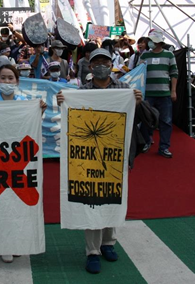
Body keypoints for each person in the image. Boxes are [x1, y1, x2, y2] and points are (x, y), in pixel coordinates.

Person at [56, 48, 144, 274]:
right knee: (92, 201)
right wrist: (62, 102)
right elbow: (73, 118)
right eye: (97, 63)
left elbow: (135, 119)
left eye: (105, 61)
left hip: (115, 154)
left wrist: (137, 102)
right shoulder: (83, 91)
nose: (101, 66)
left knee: (112, 197)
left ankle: (108, 243)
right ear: (90, 66)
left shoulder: (123, 89)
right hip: (90, 156)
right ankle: (93, 251)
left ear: (111, 65)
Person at [0, 64, 46, 264]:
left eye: (10, 78)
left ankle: (17, 241)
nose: (7, 82)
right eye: (3, 78)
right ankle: (4, 244)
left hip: (20, 160)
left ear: (17, 81)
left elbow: (31, 126)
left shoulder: (25, 103)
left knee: (19, 203)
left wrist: (39, 111)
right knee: (2, 202)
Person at [138, 30, 178, 158]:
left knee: (166, 121)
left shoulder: (169, 55)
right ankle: (146, 141)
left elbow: (174, 73)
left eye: (152, 41)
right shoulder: (144, 55)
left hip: (164, 94)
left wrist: (173, 91)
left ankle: (164, 147)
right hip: (148, 94)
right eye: (150, 40)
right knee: (145, 119)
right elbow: (138, 72)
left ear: (159, 42)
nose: (150, 43)